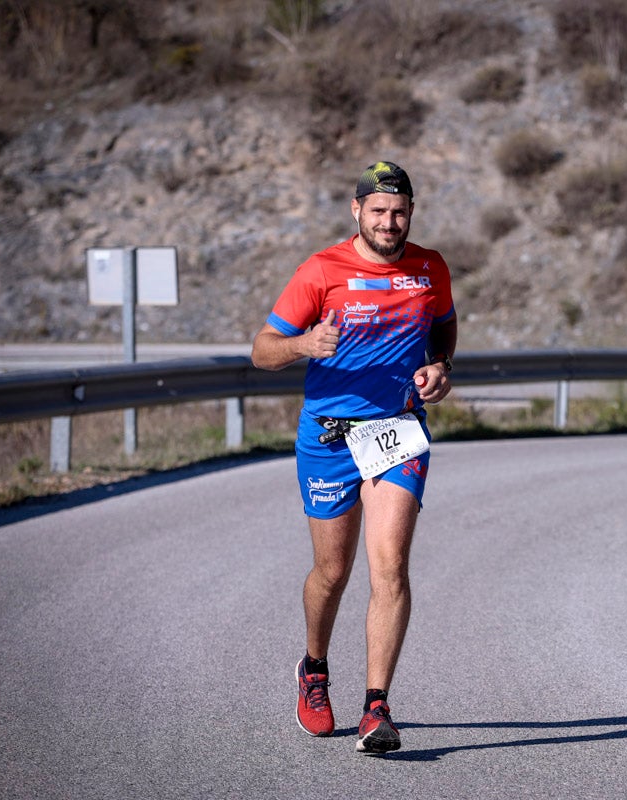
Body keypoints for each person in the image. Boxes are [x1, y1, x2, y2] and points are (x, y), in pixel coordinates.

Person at [251, 161, 458, 754]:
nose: (389, 223)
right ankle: (314, 669)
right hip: (330, 437)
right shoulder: (322, 270)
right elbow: (262, 350)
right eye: (378, 212)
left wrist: (440, 367)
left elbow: (443, 329)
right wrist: (303, 344)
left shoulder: (429, 267)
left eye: (399, 213)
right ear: (356, 211)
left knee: (390, 566)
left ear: (410, 213)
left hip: (397, 430)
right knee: (333, 572)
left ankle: (377, 708)